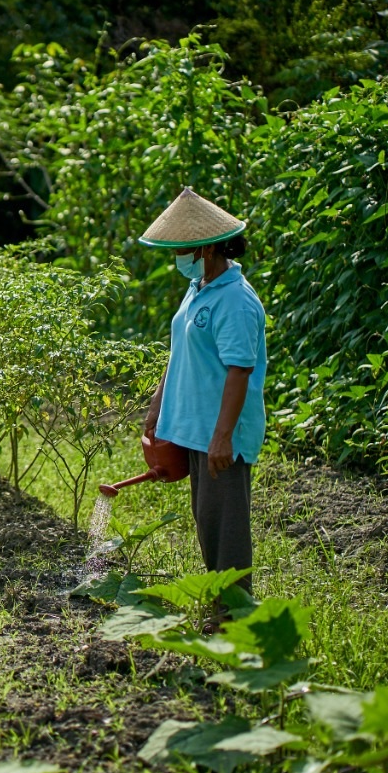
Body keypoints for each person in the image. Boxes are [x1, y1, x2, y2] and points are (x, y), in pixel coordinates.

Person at [139, 187, 267, 617]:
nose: (178, 257)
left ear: (209, 247)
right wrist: (159, 405)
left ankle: (234, 620)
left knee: (226, 532)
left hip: (220, 435)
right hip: (194, 429)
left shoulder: (235, 299)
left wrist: (222, 438)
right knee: (208, 523)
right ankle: (221, 612)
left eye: (185, 249)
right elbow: (181, 352)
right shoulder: (199, 286)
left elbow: (239, 371)